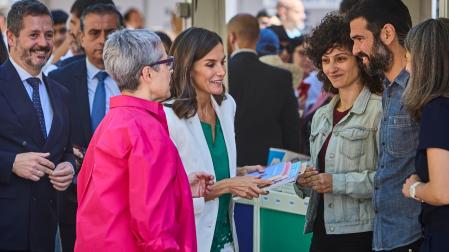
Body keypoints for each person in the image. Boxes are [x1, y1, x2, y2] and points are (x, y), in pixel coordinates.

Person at [76, 28, 209, 252]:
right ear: (147, 74)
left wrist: (180, 186)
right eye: (167, 63)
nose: (171, 70)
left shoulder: (113, 120)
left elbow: (121, 193)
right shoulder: (145, 129)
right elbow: (153, 228)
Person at [164, 27, 272, 252]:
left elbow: (209, 164)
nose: (221, 71)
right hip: (187, 237)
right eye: (210, 64)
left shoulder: (226, 105)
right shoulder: (167, 117)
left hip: (226, 236)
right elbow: (169, 193)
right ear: (187, 66)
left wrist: (240, 172)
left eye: (223, 62)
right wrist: (229, 185)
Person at [294, 13, 383, 252]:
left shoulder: (380, 110)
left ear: (359, 59)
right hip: (322, 232)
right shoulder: (322, 115)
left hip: (362, 234)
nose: (332, 68)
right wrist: (304, 182)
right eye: (325, 60)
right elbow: (316, 171)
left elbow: (388, 182)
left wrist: (337, 182)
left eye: (340, 58)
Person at [0, 1, 75, 251]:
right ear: (11, 37)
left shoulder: (62, 93)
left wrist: (69, 166)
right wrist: (11, 163)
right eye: (33, 35)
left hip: (48, 231)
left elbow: (64, 149)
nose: (43, 43)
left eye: (49, 34)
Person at [347, 1, 422, 251]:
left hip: (412, 236)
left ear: (387, 34)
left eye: (360, 39)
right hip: (386, 236)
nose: (355, 49)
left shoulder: (420, 92)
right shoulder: (390, 91)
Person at [49, 3, 122, 251]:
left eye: (110, 33)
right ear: (80, 37)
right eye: (94, 33)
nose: (103, 40)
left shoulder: (135, 78)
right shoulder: (59, 80)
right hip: (73, 201)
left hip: (124, 200)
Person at [401, 18, 449, 252]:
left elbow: (442, 192)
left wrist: (414, 188)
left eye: (410, 60)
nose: (407, 69)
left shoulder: (438, 109)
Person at [227, 14, 300, 167]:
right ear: (258, 37)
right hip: (270, 170)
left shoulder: (222, 76)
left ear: (231, 37)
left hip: (231, 167)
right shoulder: (281, 77)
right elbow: (292, 132)